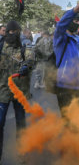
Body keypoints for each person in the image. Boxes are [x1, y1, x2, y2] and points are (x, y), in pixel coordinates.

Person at [0, 21, 35, 163]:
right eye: (9, 31)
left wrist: (26, 66)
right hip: (3, 91)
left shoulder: (25, 45)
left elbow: (31, 58)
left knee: (21, 123)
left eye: (15, 31)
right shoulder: (1, 45)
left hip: (19, 91)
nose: (12, 34)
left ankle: (22, 154)